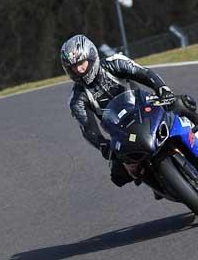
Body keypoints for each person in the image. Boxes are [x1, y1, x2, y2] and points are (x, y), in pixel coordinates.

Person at [61, 34, 198, 188]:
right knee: (118, 175)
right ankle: (159, 183)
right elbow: (87, 128)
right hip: (122, 132)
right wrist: (102, 145)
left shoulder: (114, 63)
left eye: (81, 63)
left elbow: (144, 73)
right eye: (73, 67)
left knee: (183, 103)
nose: (79, 70)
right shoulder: (76, 99)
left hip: (146, 108)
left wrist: (161, 88)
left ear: (91, 56)